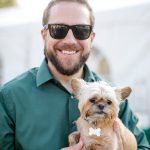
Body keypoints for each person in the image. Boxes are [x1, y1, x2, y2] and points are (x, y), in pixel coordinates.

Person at [0, 0, 149, 149]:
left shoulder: (115, 99)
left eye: (81, 30)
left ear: (91, 37)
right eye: (58, 29)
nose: (70, 40)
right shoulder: (9, 98)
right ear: (44, 35)